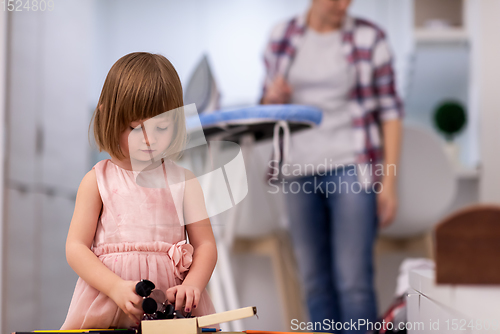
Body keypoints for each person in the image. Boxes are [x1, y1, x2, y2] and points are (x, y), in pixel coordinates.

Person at [261, 0, 403, 333]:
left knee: (353, 279)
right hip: (297, 167)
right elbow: (267, 109)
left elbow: (391, 112)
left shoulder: (371, 38)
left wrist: (388, 184)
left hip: (350, 164)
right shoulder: (281, 36)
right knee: (312, 280)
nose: (343, 4)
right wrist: (272, 97)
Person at [61, 52, 218, 329]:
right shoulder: (97, 181)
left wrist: (192, 285)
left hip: (170, 310)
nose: (149, 139)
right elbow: (76, 248)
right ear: (107, 115)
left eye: (162, 127)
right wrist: (115, 287)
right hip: (108, 304)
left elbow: (205, 244)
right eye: (135, 127)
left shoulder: (184, 181)